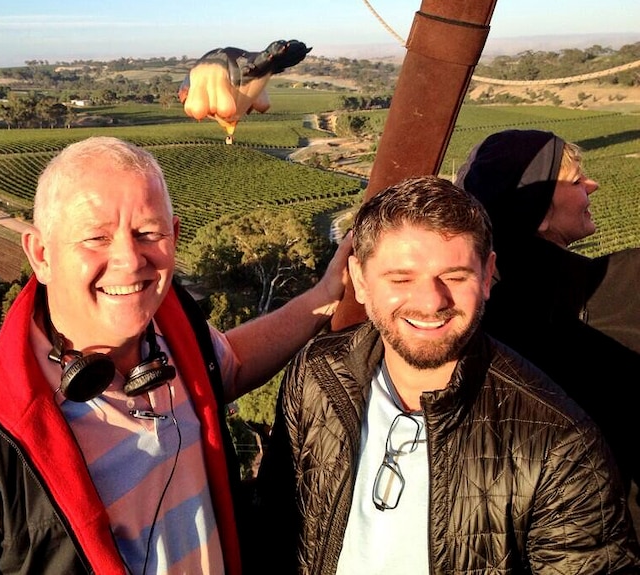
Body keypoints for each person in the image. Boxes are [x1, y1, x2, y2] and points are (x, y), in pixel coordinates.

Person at [0, 136, 351, 575]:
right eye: (96, 238)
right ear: (40, 254)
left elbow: (233, 364)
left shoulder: (173, 326)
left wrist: (327, 295)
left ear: (175, 236)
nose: (130, 259)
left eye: (148, 232)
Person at [255, 175, 640, 573]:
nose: (430, 301)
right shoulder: (317, 375)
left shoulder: (559, 443)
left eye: (455, 277)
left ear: (488, 275)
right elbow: (275, 530)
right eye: (401, 278)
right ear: (360, 279)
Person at [455, 129, 640, 491]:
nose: (593, 185)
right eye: (575, 181)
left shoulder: (475, 313)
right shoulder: (625, 282)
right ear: (536, 211)